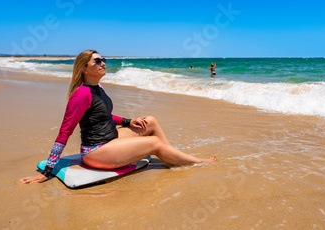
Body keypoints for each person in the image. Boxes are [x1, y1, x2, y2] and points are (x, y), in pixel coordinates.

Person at [19, 50, 216, 184]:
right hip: (96, 151)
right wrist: (47, 171)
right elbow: (65, 132)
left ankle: (172, 156)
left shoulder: (97, 89)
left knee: (151, 121)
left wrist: (128, 121)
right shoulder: (81, 94)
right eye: (97, 61)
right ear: (84, 69)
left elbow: (104, 115)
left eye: (103, 59)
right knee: (154, 143)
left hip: (110, 139)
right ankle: (196, 161)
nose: (103, 63)